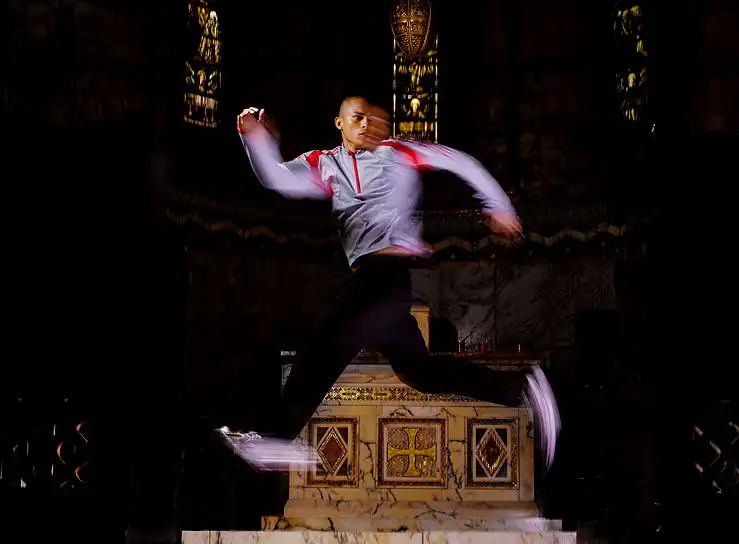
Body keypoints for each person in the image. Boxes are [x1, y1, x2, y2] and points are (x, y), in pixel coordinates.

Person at [220, 97, 560, 474]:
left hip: (386, 275)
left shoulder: (400, 152)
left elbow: (461, 162)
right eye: (358, 118)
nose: (368, 126)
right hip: (373, 281)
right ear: (339, 123)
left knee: (326, 344)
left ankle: (278, 437)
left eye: (376, 120)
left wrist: (498, 205)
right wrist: (256, 139)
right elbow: (278, 178)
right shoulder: (324, 163)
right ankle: (522, 389)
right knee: (421, 372)